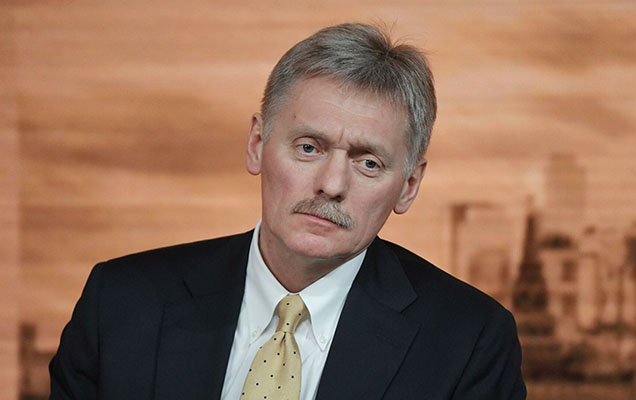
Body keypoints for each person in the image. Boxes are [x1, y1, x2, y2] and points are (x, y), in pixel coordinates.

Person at [49, 23, 526, 399]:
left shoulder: (469, 342)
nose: (331, 185)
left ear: (408, 186)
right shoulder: (120, 304)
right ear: (257, 144)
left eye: (368, 163)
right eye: (308, 147)